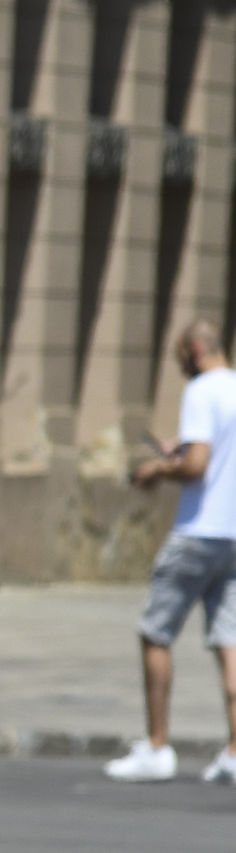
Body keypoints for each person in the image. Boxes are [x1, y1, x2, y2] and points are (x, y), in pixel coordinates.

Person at [106, 316, 236, 783]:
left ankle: (157, 747)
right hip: (234, 535)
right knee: (230, 641)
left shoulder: (200, 391)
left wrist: (158, 469)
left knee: (156, 633)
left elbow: (199, 464)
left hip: (197, 532)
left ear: (195, 352)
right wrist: (178, 451)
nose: (181, 366)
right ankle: (235, 752)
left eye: (181, 356)